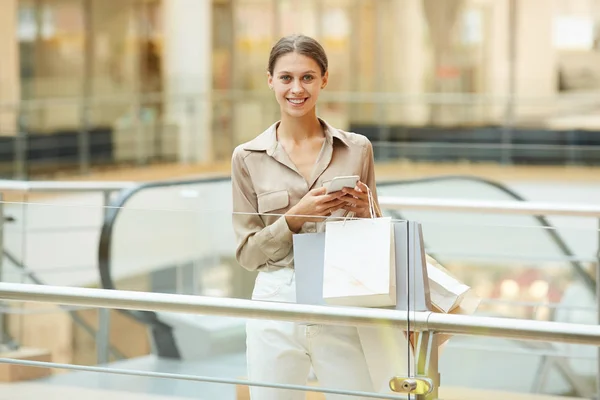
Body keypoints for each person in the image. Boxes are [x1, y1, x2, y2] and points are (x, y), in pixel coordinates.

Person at [231, 34, 385, 400]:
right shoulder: (247, 157)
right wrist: (293, 219)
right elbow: (247, 255)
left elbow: (376, 237)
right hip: (276, 299)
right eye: (286, 78)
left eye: (308, 77)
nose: (296, 88)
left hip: (341, 297)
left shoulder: (357, 148)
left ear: (324, 79)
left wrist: (368, 212)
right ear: (270, 80)